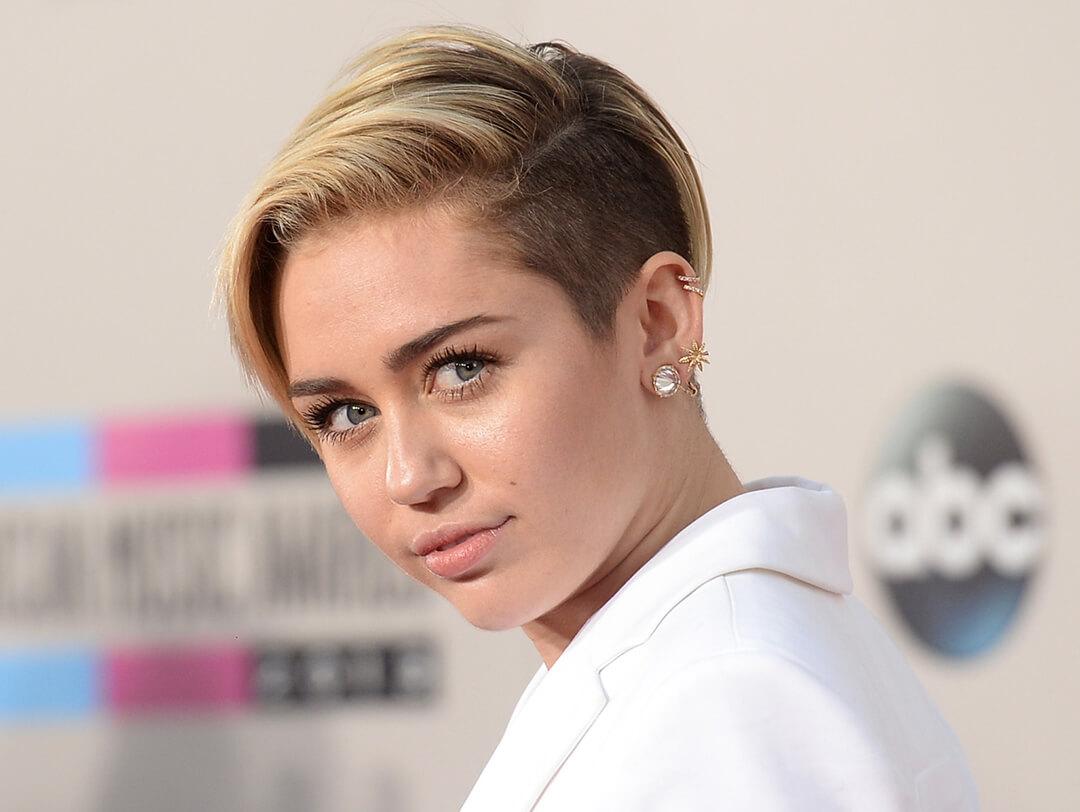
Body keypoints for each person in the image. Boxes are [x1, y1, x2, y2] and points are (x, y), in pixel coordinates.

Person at [214, 22, 979, 811]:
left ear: (658, 321)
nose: (409, 476)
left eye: (462, 369)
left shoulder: (721, 711)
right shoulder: (697, 667)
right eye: (344, 414)